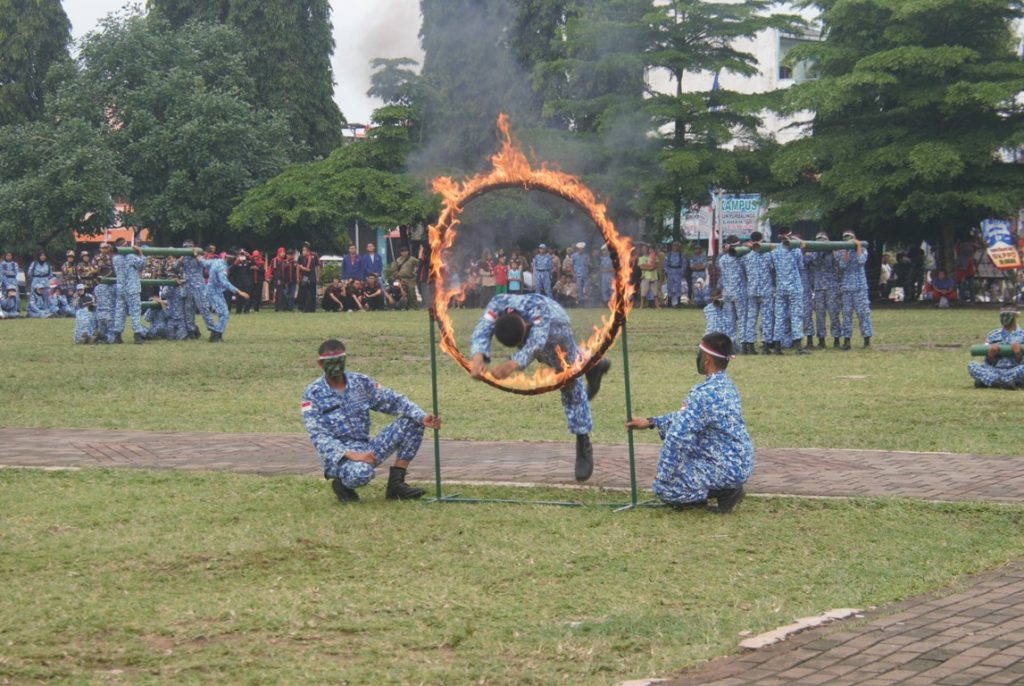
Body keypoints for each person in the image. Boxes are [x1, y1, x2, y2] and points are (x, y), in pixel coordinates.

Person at [468, 293, 611, 482]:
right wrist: (478, 356)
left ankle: (582, 440)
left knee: (567, 379)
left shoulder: (540, 315)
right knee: (557, 358)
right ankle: (593, 365)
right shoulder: (497, 303)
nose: (521, 346)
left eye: (521, 342)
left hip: (555, 324)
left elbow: (535, 343)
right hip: (537, 327)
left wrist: (512, 364)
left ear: (525, 327)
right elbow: (482, 329)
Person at [626, 332, 753, 513]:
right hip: (738, 462)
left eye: (699, 354)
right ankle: (727, 488)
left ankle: (720, 493)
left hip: (724, 465)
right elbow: (689, 418)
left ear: (707, 359)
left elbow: (678, 437)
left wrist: (664, 477)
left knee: (667, 490)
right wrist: (651, 422)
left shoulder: (703, 394)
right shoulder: (726, 386)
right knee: (689, 456)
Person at [301, 339, 440, 502]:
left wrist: (422, 417)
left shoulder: (360, 382)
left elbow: (393, 400)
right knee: (362, 472)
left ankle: (396, 485)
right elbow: (319, 437)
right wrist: (353, 455)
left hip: (366, 447)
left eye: (340, 362)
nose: (336, 367)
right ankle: (342, 486)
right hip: (339, 457)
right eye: (331, 363)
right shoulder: (312, 394)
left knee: (412, 421)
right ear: (320, 363)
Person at [192, 247, 249, 342]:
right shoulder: (222, 267)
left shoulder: (216, 261)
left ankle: (216, 333)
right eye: (235, 260)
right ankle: (216, 334)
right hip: (213, 293)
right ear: (229, 258)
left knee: (224, 313)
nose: (236, 262)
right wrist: (239, 292)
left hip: (214, 291)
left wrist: (197, 256)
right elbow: (225, 283)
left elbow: (204, 263)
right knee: (224, 313)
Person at [770, 231, 810, 355]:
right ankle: (798, 347)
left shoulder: (774, 252)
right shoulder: (795, 251)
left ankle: (777, 346)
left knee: (780, 317)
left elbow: (773, 268)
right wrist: (801, 249)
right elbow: (801, 266)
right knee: (796, 315)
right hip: (794, 288)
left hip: (781, 288)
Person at [967, 304, 1024, 390]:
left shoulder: (1022, 335)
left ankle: (987, 381)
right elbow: (987, 362)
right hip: (995, 370)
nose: (1004, 318)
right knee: (972, 366)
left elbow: (1021, 363)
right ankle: (1003, 383)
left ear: (1015, 315)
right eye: (1002, 315)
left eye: (1007, 315)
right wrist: (990, 355)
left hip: (1013, 370)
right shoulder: (992, 335)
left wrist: (1018, 353)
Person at [836, 230, 873, 349]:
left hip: (860, 287)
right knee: (846, 314)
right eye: (845, 238)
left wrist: (857, 246)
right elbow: (842, 265)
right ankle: (847, 341)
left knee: (863, 314)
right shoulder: (841, 252)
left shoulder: (863, 249)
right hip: (847, 288)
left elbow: (861, 261)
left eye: (850, 237)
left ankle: (867, 340)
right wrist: (846, 250)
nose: (847, 239)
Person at [740, 232, 774, 355]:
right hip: (765, 291)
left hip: (752, 290)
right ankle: (765, 346)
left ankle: (749, 346)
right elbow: (772, 269)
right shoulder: (768, 255)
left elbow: (743, 271)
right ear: (761, 240)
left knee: (751, 318)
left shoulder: (746, 256)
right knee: (767, 318)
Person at [807, 232, 842, 348]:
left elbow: (840, 263)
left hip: (832, 287)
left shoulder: (833, 252)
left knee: (834, 314)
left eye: (823, 240)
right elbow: (811, 261)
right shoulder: (814, 253)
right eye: (818, 240)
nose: (821, 242)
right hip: (818, 288)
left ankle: (836, 339)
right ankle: (821, 340)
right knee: (819, 316)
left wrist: (831, 249)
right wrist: (816, 250)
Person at [111, 241, 146, 344]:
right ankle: (137, 335)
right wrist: (140, 253)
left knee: (120, 312)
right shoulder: (131, 257)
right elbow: (142, 265)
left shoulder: (115, 259)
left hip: (121, 288)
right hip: (132, 288)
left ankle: (117, 335)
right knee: (135, 312)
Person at [716, 236, 746, 347]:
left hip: (727, 292)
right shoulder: (742, 258)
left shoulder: (722, 259)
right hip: (740, 292)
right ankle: (744, 343)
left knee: (729, 320)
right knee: (742, 318)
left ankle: (730, 344)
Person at [92, 242, 116, 342]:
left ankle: (97, 335)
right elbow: (93, 270)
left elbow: (115, 270)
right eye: (103, 248)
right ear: (100, 249)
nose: (105, 249)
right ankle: (103, 336)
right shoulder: (96, 258)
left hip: (111, 283)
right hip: (100, 282)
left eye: (107, 248)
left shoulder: (112, 258)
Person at [394, 245, 419, 309]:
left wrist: (415, 271)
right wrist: (396, 274)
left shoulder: (412, 259)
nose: (404, 253)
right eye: (402, 251)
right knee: (403, 293)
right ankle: (405, 307)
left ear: (408, 252)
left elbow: (419, 264)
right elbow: (395, 268)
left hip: (410, 278)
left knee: (412, 293)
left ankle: (414, 307)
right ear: (400, 253)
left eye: (405, 251)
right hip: (401, 278)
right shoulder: (398, 260)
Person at [296, 243, 320, 313]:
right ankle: (304, 307)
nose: (303, 252)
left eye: (304, 250)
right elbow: (298, 266)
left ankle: (312, 308)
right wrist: (298, 277)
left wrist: (318, 276)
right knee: (304, 291)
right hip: (304, 277)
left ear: (308, 251)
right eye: (302, 250)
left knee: (312, 292)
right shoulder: (301, 257)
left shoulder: (314, 256)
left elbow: (317, 266)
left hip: (312, 276)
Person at [270, 247, 295, 312]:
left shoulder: (282, 260)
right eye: (282, 252)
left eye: (284, 252)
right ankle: (277, 308)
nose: (283, 254)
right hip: (276, 279)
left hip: (282, 279)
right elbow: (275, 270)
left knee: (281, 294)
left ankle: (281, 307)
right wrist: (278, 279)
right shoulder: (275, 260)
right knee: (277, 293)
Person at [664, 242, 687, 307]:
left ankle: (678, 302)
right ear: (672, 247)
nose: (675, 247)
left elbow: (684, 264)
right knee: (669, 287)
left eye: (677, 246)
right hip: (670, 271)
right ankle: (669, 302)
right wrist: (667, 271)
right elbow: (665, 264)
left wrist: (681, 272)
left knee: (678, 287)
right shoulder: (668, 255)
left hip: (678, 271)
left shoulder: (681, 255)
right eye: (674, 246)